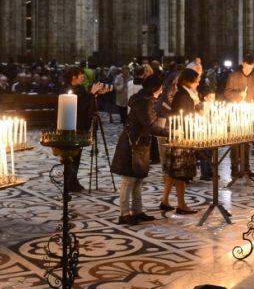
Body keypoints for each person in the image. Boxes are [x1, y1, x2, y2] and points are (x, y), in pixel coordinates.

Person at [111, 75, 168, 225]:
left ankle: (137, 212)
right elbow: (150, 126)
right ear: (154, 88)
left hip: (138, 144)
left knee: (137, 179)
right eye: (161, 87)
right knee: (128, 180)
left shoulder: (145, 100)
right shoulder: (144, 103)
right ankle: (124, 214)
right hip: (132, 145)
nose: (162, 90)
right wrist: (170, 132)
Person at [160, 68, 202, 214]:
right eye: (196, 80)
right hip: (181, 137)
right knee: (180, 171)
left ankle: (165, 200)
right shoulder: (184, 96)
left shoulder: (182, 93)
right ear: (188, 81)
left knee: (174, 171)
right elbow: (185, 119)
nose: (198, 82)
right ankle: (181, 204)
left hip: (177, 135)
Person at [65, 66, 103, 192]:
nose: (83, 77)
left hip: (81, 125)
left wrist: (94, 94)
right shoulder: (69, 90)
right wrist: (91, 93)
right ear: (73, 77)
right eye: (80, 75)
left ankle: (73, 179)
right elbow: (80, 106)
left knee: (77, 154)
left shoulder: (80, 89)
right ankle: (70, 180)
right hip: (72, 125)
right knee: (71, 154)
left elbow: (86, 102)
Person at [224, 54, 254, 177]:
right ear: (242, 64)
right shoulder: (233, 76)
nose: (248, 71)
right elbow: (227, 93)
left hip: (249, 113)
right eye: (246, 68)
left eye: (251, 68)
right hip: (235, 112)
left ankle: (246, 167)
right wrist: (238, 94)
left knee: (247, 141)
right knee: (235, 142)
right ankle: (234, 167)